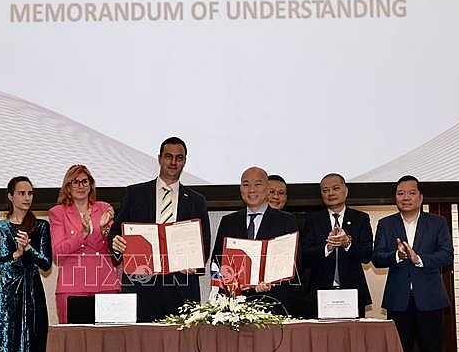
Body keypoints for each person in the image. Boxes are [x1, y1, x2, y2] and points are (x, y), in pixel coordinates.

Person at [110, 136, 211, 322]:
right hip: (141, 285)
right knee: (140, 347)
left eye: (179, 158)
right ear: (159, 159)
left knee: (181, 348)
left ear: (184, 162)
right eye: (168, 156)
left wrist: (195, 263)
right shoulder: (135, 193)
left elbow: (204, 242)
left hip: (181, 288)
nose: (173, 162)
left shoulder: (197, 200)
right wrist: (116, 243)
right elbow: (116, 232)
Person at [372, 175, 454, 352]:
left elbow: (447, 255)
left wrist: (419, 259)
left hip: (430, 299)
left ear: (420, 197)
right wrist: (397, 256)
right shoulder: (386, 224)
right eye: (400, 193)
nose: (405, 197)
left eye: (411, 193)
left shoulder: (437, 222)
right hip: (398, 301)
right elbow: (376, 257)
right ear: (396, 198)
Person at [211, 166, 300, 315]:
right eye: (246, 184)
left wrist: (271, 281)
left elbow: (295, 261)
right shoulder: (228, 221)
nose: (251, 189)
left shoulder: (286, 221)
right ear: (240, 190)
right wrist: (234, 286)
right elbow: (218, 260)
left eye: (257, 184)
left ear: (267, 189)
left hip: (273, 304)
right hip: (235, 307)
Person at [49, 165, 120, 324]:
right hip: (73, 285)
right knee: (74, 342)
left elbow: (112, 250)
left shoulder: (104, 208)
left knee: (108, 342)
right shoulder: (58, 212)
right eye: (75, 182)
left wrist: (104, 230)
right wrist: (82, 234)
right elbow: (58, 252)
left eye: (84, 181)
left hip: (105, 283)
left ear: (91, 185)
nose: (81, 186)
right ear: (68, 186)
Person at [0, 176, 52, 352]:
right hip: (7, 295)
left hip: (33, 292)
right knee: (6, 343)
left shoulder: (41, 226)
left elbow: (46, 264)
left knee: (35, 341)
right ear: (10, 196)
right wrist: (15, 255)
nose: (27, 198)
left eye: (30, 193)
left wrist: (28, 248)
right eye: (22, 193)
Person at [302, 173, 373, 318]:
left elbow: (366, 255)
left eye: (335, 188)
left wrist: (347, 243)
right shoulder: (312, 219)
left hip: (353, 290)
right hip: (320, 291)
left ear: (346, 191)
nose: (330, 193)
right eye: (325, 190)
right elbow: (305, 255)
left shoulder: (360, 218)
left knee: (353, 337)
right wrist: (327, 248)